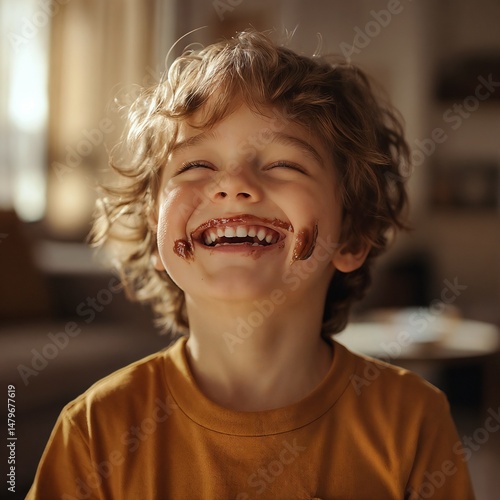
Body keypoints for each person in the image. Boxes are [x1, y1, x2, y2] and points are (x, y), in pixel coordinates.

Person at [28, 30, 475, 499]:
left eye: (284, 164)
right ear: (157, 233)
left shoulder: (412, 420)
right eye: (195, 165)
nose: (234, 185)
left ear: (352, 236)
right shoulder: (95, 429)